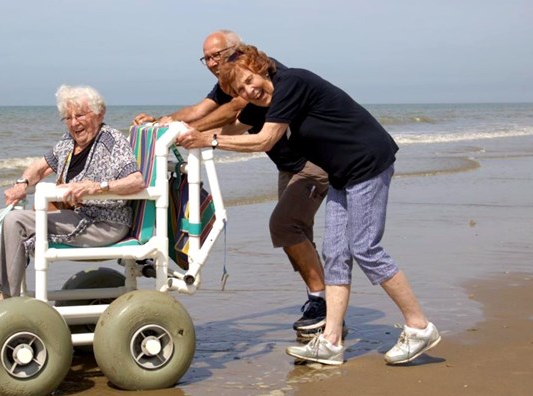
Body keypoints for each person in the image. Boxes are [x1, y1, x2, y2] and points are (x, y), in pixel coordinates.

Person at [177, 43, 440, 365]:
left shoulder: (292, 84)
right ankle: (330, 341)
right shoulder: (264, 103)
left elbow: (264, 140)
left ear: (260, 67)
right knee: (335, 254)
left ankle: (419, 326)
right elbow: (233, 127)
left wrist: (211, 140)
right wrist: (176, 130)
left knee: (365, 248)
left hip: (368, 164)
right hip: (343, 173)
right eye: (241, 89)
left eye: (250, 80)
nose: (250, 89)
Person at [134, 30, 331, 337]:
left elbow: (234, 110)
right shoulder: (227, 80)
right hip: (289, 165)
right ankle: (321, 303)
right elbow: (201, 111)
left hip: (313, 163)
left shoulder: (255, 73)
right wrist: (162, 122)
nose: (212, 62)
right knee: (298, 233)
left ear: (238, 50)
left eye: (218, 55)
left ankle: (322, 302)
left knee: (284, 226)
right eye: (207, 58)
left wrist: (189, 132)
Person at [0, 85, 145, 299]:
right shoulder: (67, 143)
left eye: (79, 115)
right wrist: (21, 184)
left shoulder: (112, 141)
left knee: (15, 221)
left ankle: (7, 299)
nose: (74, 123)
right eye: (67, 118)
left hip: (103, 223)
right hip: (75, 217)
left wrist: (98, 187)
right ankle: (0, 288)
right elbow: (41, 167)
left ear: (99, 114)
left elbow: (136, 181)